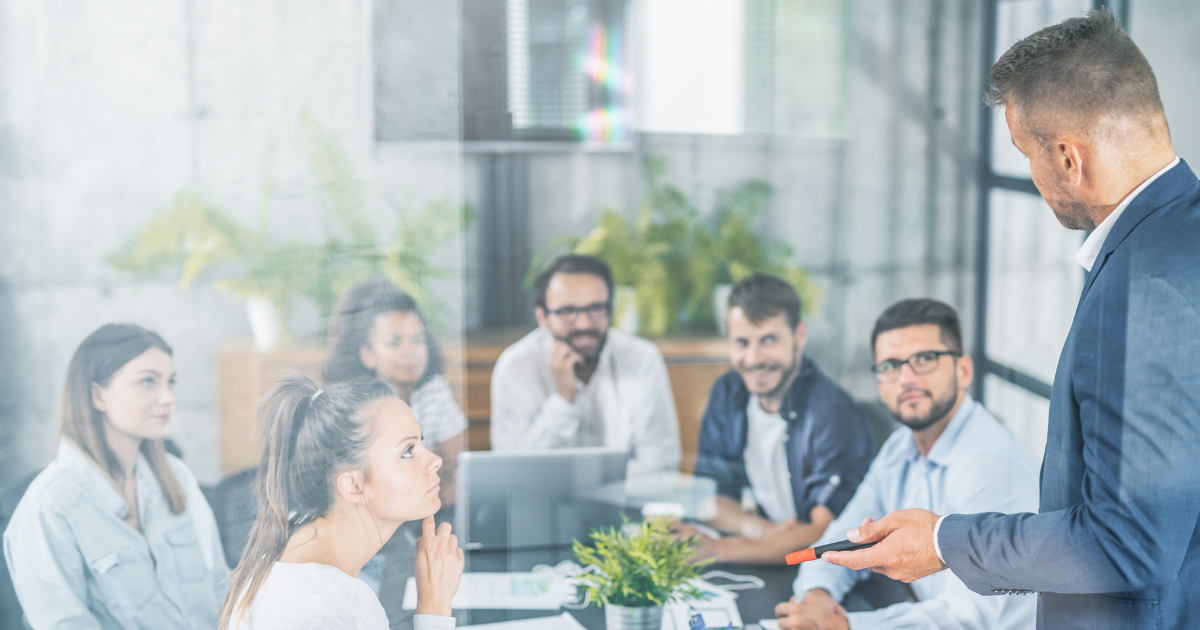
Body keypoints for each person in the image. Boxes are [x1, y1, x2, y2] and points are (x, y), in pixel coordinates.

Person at [819, 11, 1200, 629]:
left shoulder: (1142, 288)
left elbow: (1130, 540)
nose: (1033, 174)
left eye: (1027, 153)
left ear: (1068, 158)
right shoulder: (1183, 236)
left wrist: (945, 542)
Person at [776, 299, 1038, 630]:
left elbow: (966, 617)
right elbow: (846, 534)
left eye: (924, 359)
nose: (905, 379)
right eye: (889, 366)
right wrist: (816, 593)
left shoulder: (991, 465)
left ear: (964, 371)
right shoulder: (901, 446)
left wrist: (842, 627)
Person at [3, 323, 229, 629]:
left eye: (170, 382)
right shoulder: (50, 507)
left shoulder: (177, 477)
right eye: (148, 382)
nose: (168, 398)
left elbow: (220, 588)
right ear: (98, 396)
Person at [219, 375, 463, 630]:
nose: (435, 459)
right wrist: (435, 606)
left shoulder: (293, 561)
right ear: (354, 486)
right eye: (408, 451)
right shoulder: (334, 604)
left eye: (420, 441)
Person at [680, 273, 874, 564]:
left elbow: (828, 534)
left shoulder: (833, 414)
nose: (754, 358)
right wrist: (762, 530)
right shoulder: (729, 392)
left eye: (768, 340)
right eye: (742, 342)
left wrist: (721, 550)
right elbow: (711, 500)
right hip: (769, 552)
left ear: (799, 336)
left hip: (826, 568)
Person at [490, 255, 682, 477]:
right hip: (542, 510)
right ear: (542, 316)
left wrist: (576, 483)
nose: (584, 324)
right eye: (567, 312)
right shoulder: (515, 367)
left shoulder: (641, 359)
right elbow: (512, 472)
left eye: (596, 309)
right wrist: (563, 400)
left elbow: (661, 464)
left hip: (623, 508)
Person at [324, 278, 467, 506]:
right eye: (394, 343)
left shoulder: (434, 391)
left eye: (417, 340)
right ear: (367, 353)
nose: (410, 352)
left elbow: (458, 466)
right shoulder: (354, 405)